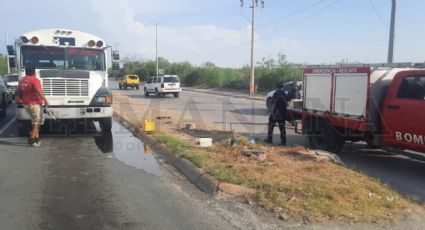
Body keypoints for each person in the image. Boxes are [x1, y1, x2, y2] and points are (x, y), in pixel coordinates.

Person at [15, 66, 49, 147]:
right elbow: (39, 90)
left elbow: (18, 91)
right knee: (37, 122)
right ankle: (31, 139)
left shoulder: (22, 80)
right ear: (34, 73)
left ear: (26, 72)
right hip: (35, 103)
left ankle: (37, 139)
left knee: (34, 121)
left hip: (25, 103)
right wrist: (45, 100)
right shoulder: (34, 80)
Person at [265, 82, 292, 146]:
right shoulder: (285, 94)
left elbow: (274, 104)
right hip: (283, 113)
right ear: (282, 87)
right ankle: (283, 142)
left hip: (276, 113)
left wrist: (272, 112)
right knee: (282, 127)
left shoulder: (275, 93)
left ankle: (269, 140)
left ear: (277, 87)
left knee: (271, 125)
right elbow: (287, 104)